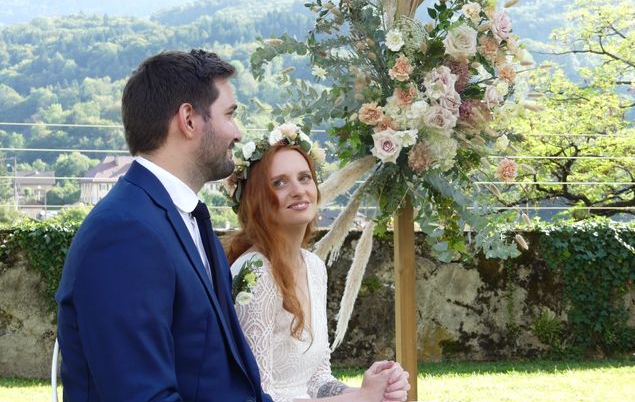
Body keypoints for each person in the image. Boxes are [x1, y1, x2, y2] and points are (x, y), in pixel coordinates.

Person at [56, 49, 274, 401]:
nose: (237, 133)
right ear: (189, 119)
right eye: (230, 115)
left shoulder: (186, 218)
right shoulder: (125, 233)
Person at [225, 125, 410, 402]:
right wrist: (361, 399)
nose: (298, 190)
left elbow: (317, 380)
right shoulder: (253, 273)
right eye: (279, 183)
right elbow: (257, 396)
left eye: (304, 178)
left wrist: (372, 390)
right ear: (256, 201)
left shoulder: (313, 266)